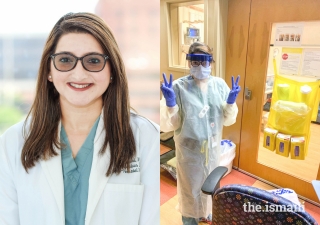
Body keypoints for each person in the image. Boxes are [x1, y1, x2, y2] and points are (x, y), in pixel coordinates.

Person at [0, 12, 159, 225]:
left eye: (93, 61)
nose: (79, 73)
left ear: (112, 70)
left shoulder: (147, 138)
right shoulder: (12, 142)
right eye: (65, 60)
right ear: (49, 70)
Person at [160, 42, 240, 225]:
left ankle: (207, 214)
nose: (200, 67)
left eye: (204, 62)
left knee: (210, 186)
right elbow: (169, 125)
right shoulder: (178, 87)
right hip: (189, 153)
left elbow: (228, 119)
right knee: (190, 190)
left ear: (211, 63)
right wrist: (171, 104)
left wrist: (230, 102)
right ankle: (189, 220)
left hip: (212, 151)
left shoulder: (219, 85)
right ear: (189, 63)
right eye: (195, 62)